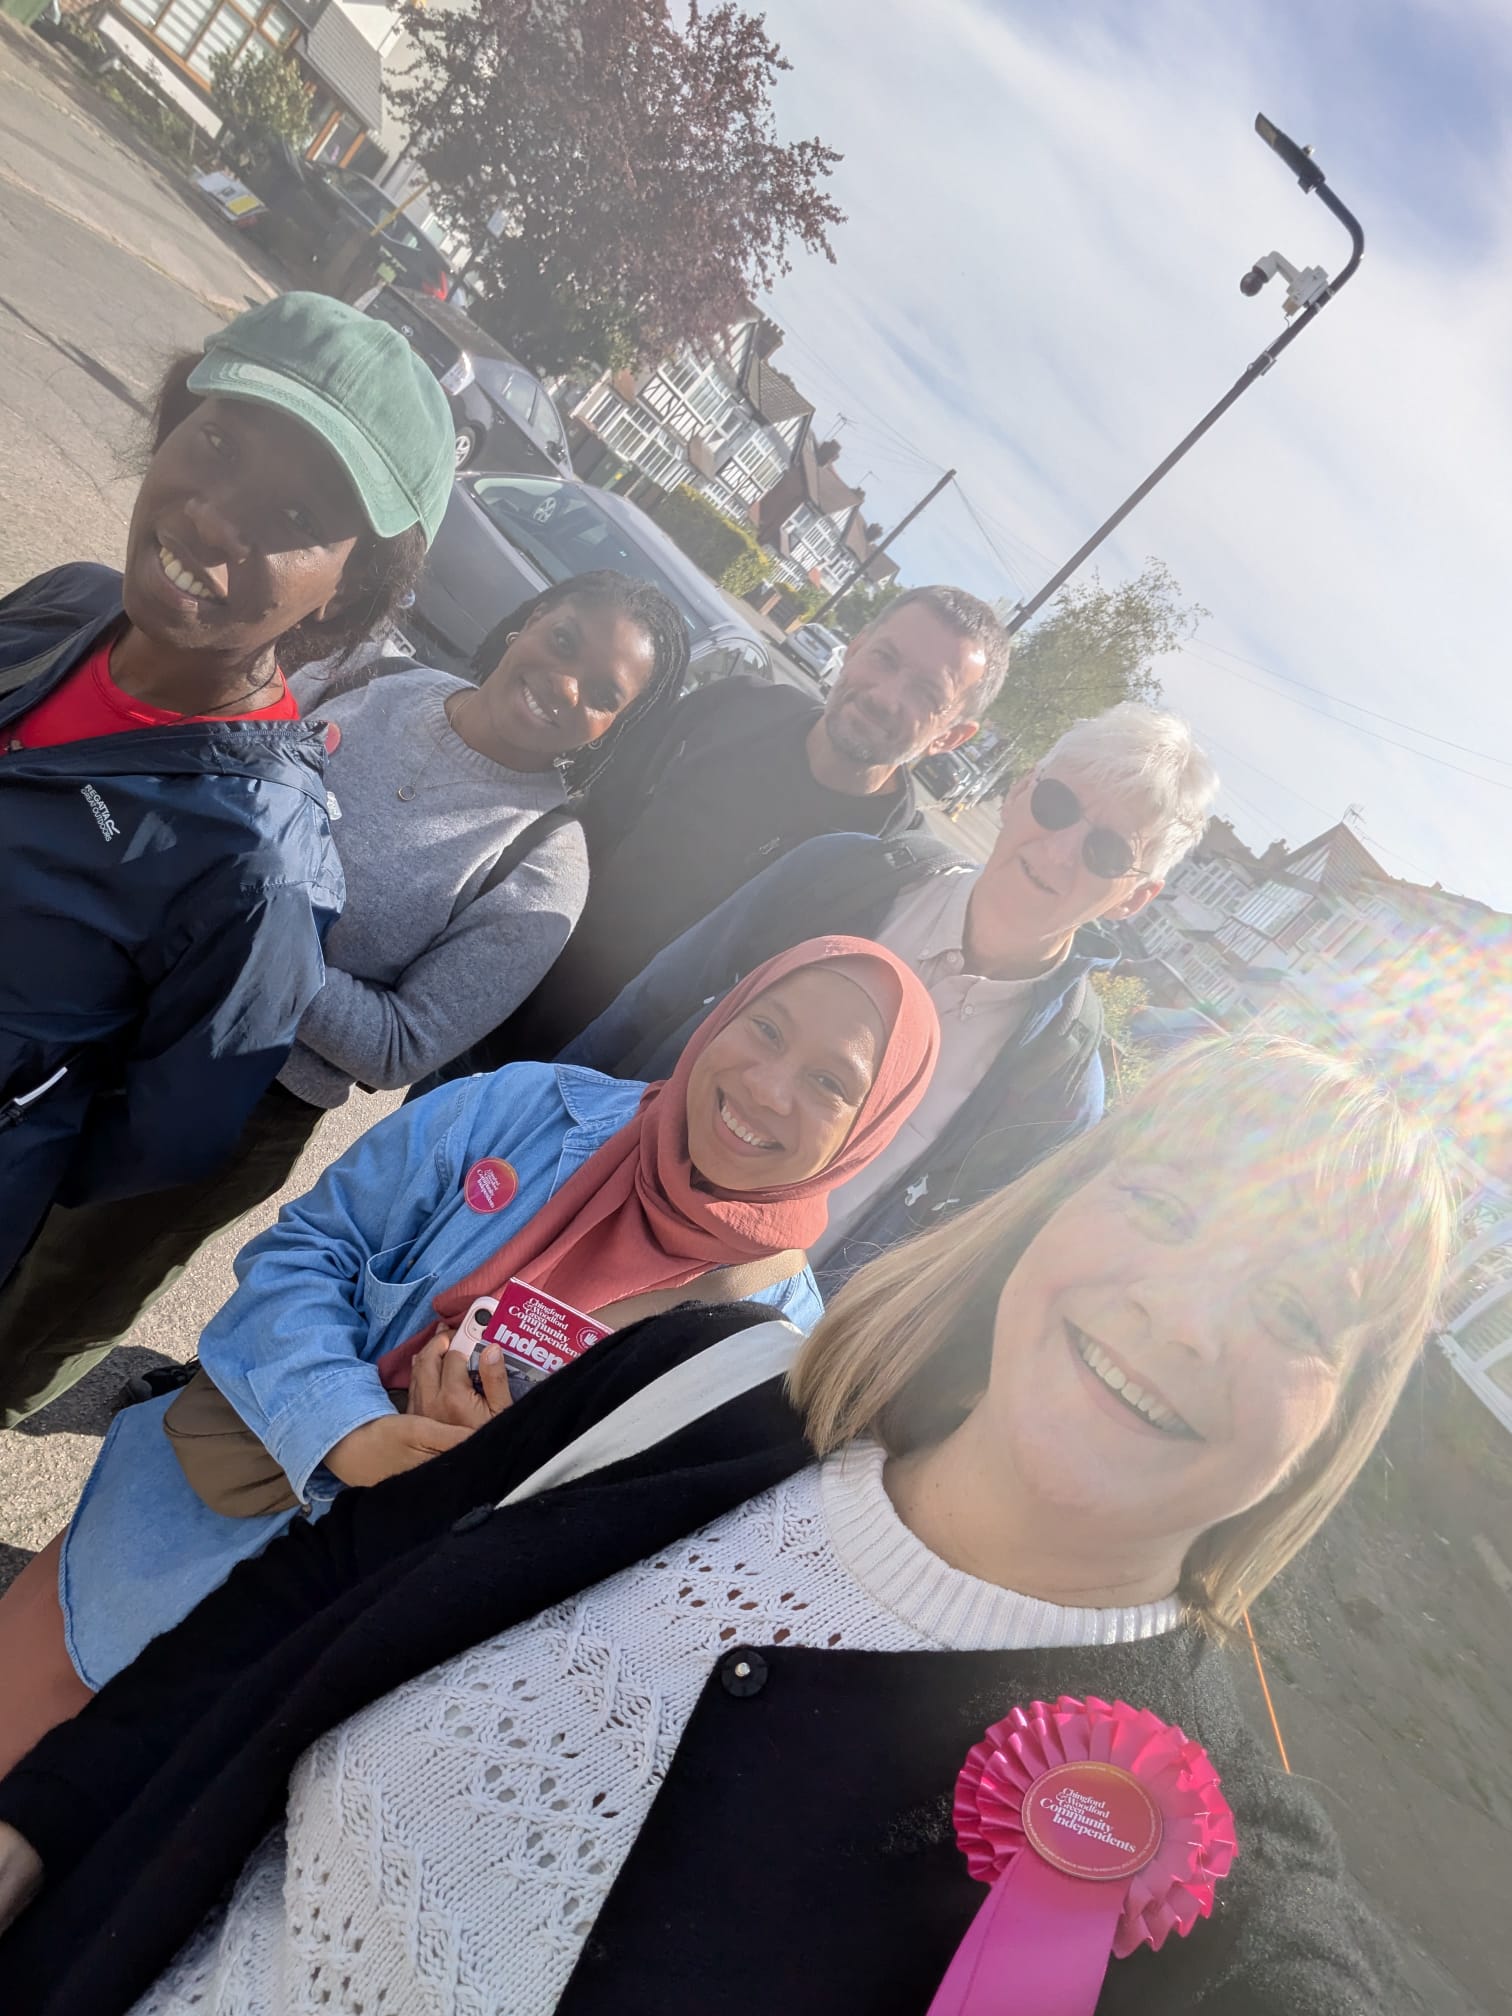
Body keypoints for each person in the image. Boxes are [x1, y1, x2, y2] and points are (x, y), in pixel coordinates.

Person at [0, 1036, 1452, 2016]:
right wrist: (36, 1822)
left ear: (1342, 1419)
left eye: (1295, 1309)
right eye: (1169, 1206)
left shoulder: (1187, 1861)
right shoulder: (709, 1379)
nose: (1186, 1319)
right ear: (1054, 1206)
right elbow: (320, 1592)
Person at [0, 937, 938, 1764]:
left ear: (874, 1126)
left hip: (332, 1678)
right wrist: (348, 1431)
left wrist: (491, 1483)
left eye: (832, 1083)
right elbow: (307, 1253)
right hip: (164, 1548)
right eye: (766, 1028)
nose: (767, 1088)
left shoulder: (775, 1350)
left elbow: (646, 1583)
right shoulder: (522, 1110)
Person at [0, 571, 690, 1425]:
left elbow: (402, 1045)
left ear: (615, 728)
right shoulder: (371, 675)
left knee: (54, 1303)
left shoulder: (544, 864)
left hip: (243, 1096)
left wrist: (243, 940)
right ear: (530, 620)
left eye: (603, 693)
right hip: (114, 997)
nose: (565, 683)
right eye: (564, 642)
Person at [0, 292, 454, 1397]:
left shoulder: (261, 864)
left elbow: (154, 1141)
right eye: (216, 445)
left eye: (295, 513)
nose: (213, 520)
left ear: (347, 591)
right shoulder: (70, 604)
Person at [571, 701, 1219, 1290]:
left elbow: (950, 1281)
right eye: (1056, 804)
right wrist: (533, 1142)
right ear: (1020, 790)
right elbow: (649, 1004)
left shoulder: (1060, 1088)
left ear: (1136, 898)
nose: (1059, 851)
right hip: (592, 1218)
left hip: (727, 1344)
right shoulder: (840, 876)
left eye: (1107, 851)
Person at [440, 583, 1011, 1075]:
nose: (887, 696)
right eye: (884, 658)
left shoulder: (888, 877)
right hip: (496, 1017)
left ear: (951, 736)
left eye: (927, 694)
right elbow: (586, 816)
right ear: (856, 647)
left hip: (612, 1111)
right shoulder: (733, 708)